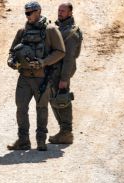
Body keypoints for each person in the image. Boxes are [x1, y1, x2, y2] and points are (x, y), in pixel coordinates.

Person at [6, 2, 65, 151]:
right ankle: (23, 140)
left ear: (38, 12)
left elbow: (60, 51)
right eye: (26, 13)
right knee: (21, 109)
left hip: (42, 78)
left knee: (42, 108)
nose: (28, 15)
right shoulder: (22, 31)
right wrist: (11, 62)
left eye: (30, 12)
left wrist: (43, 62)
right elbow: (12, 52)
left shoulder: (51, 30)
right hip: (24, 78)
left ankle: (41, 140)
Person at [49, 2, 82, 145]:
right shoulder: (61, 28)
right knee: (55, 99)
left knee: (62, 99)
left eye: (63, 11)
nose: (60, 13)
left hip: (62, 71)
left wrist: (64, 78)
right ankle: (63, 131)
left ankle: (66, 132)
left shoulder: (71, 32)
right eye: (59, 10)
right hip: (55, 70)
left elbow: (69, 58)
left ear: (70, 13)